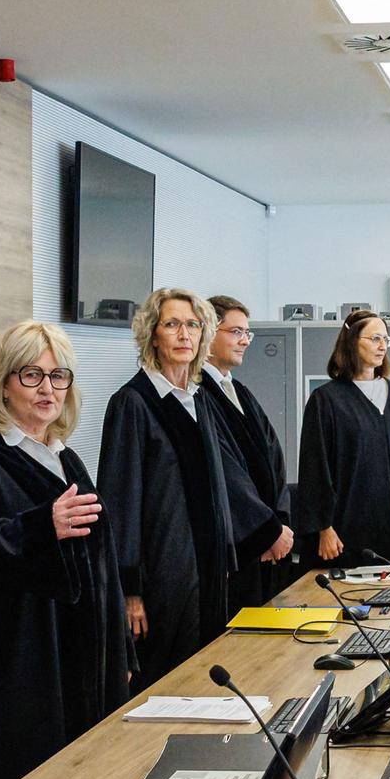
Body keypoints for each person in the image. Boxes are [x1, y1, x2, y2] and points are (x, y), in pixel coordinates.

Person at [0, 321, 129, 779]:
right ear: (4, 383)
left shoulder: (67, 461)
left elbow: (100, 566)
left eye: (58, 376)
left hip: (85, 657)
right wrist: (41, 526)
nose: (48, 389)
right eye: (32, 375)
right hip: (23, 663)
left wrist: (120, 651)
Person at [98, 289, 233, 688]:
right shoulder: (132, 403)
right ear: (152, 335)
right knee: (166, 683)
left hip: (204, 572)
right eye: (171, 324)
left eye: (192, 325)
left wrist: (223, 556)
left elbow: (216, 489)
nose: (184, 335)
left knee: (203, 675)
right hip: (161, 578)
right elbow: (120, 501)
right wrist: (129, 591)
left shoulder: (200, 400)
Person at [296, 310, 390, 567]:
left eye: (386, 339)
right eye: (375, 338)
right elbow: (314, 470)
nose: (383, 346)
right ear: (352, 341)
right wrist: (323, 528)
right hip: (345, 531)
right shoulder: (326, 400)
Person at [201, 294, 292, 614]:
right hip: (240, 549)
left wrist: (280, 523)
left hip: (268, 546)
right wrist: (266, 532)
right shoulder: (198, 395)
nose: (245, 341)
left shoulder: (240, 392)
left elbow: (274, 460)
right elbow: (227, 476)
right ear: (208, 332)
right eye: (236, 332)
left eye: (247, 333)